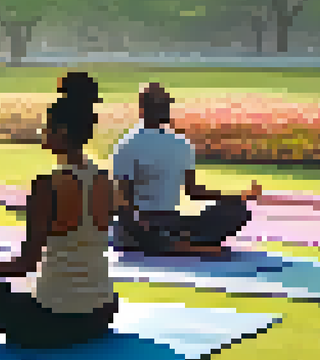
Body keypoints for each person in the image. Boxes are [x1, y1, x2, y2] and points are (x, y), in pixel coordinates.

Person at [0, 72, 119, 349]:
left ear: (61, 132)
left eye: (47, 128)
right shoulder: (106, 180)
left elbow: (25, 265)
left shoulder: (47, 185)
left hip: (55, 320)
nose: (42, 133)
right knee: (22, 291)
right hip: (103, 312)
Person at [109, 82, 261, 256]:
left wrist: (237, 197)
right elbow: (194, 192)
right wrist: (237, 197)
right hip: (149, 225)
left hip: (162, 224)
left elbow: (122, 198)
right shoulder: (178, 144)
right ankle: (184, 243)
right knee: (233, 212)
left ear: (142, 109)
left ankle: (175, 242)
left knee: (235, 210)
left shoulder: (128, 144)